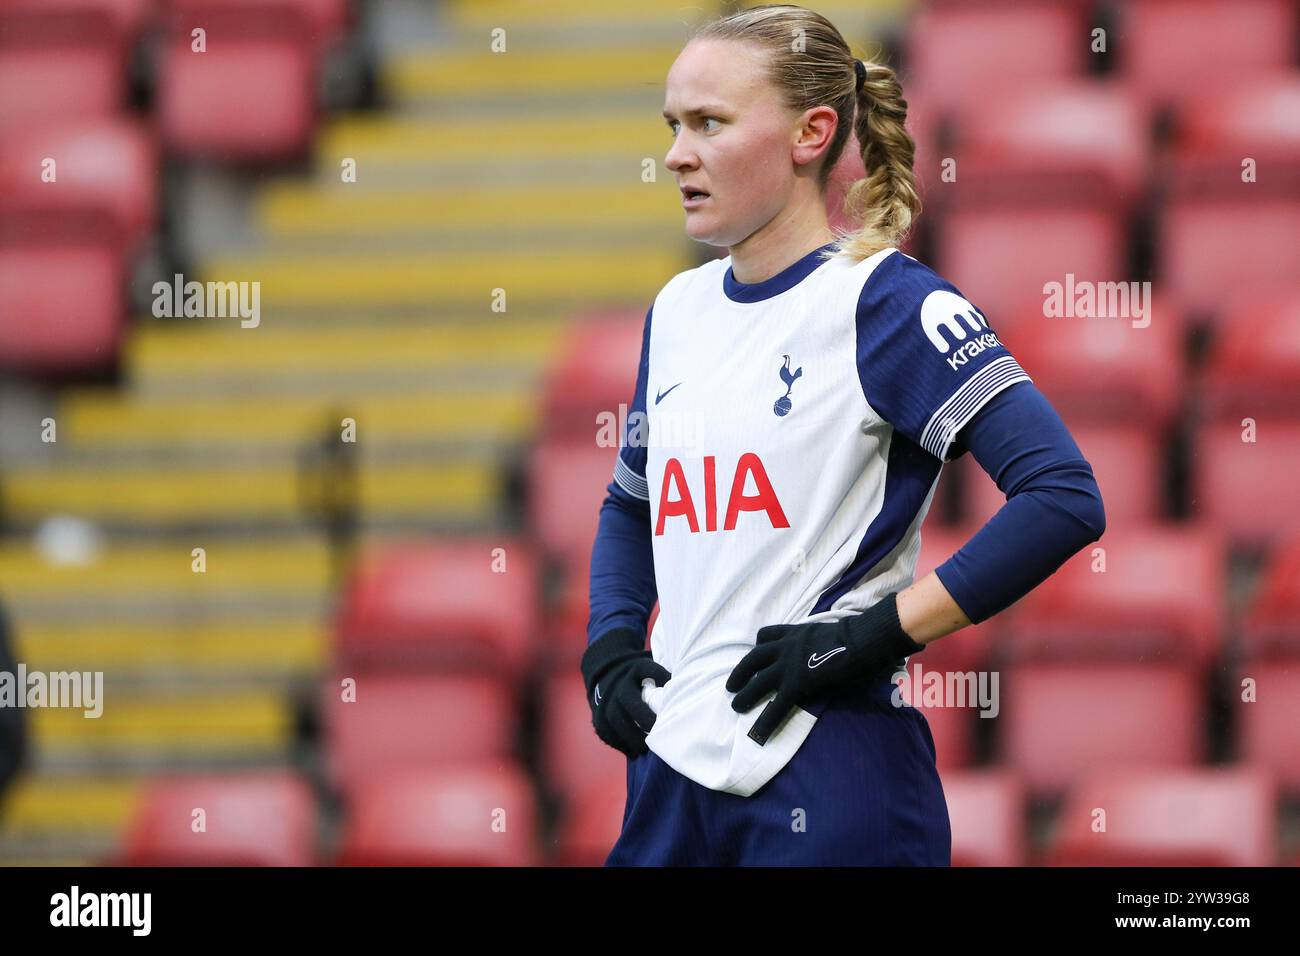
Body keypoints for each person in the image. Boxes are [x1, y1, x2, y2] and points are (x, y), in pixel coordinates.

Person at [580, 4, 1106, 866]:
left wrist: (872, 635)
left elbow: (1063, 497)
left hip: (833, 774)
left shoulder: (887, 302)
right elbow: (630, 506)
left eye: (709, 123)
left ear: (811, 132)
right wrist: (609, 647)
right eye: (673, 125)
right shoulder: (677, 310)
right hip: (670, 779)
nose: (676, 153)